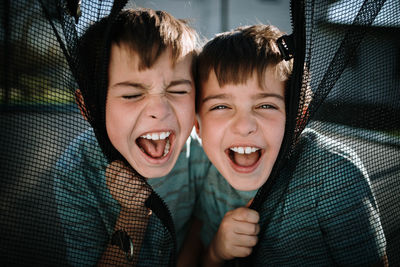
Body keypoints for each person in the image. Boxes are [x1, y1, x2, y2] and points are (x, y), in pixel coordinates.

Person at [193, 24, 387, 266]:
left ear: (299, 118)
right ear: (197, 124)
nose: (243, 126)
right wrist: (216, 252)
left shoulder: (333, 175)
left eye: (265, 106)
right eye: (220, 106)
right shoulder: (208, 176)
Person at [53, 8, 211, 266]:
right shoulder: (75, 172)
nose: (160, 112)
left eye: (178, 90)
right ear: (88, 107)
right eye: (132, 94)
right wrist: (133, 215)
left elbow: (201, 223)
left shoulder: (202, 152)